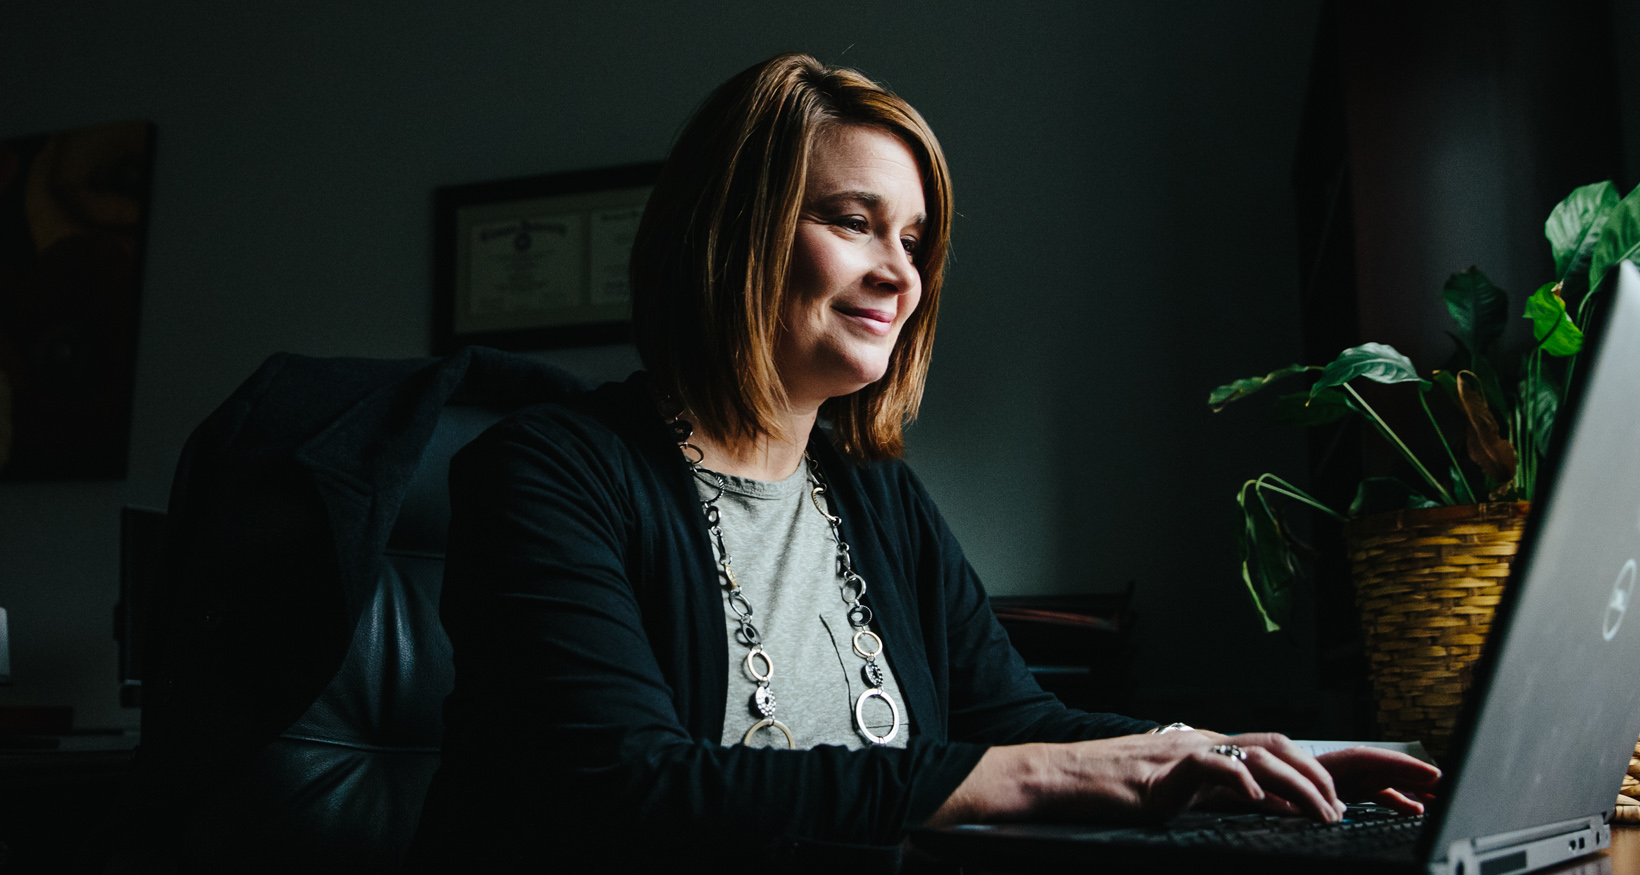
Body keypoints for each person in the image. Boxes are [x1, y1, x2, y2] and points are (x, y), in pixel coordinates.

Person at [406, 53, 1439, 873]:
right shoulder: (545, 472)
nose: (901, 273)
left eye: (917, 240)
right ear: (731, 233)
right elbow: (629, 788)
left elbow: (1015, 717)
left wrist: (1229, 756)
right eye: (855, 221)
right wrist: (1054, 777)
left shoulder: (874, 492)